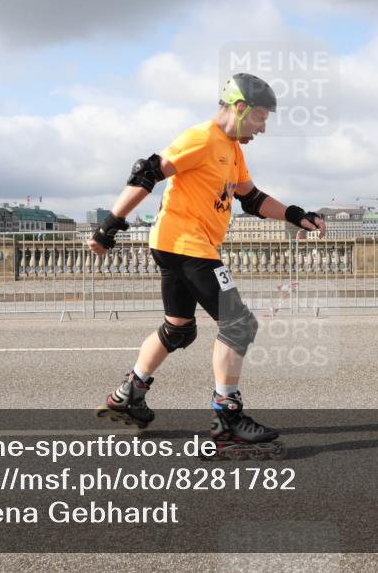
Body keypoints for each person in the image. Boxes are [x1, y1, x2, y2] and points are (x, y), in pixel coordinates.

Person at [89, 73, 326, 453]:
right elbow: (147, 172)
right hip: (186, 244)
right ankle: (226, 419)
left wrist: (296, 214)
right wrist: (109, 226)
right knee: (239, 323)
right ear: (240, 107)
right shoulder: (199, 138)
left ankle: (129, 393)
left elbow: (252, 199)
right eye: (261, 117)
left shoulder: (233, 150)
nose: (263, 127)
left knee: (179, 329)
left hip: (177, 244)